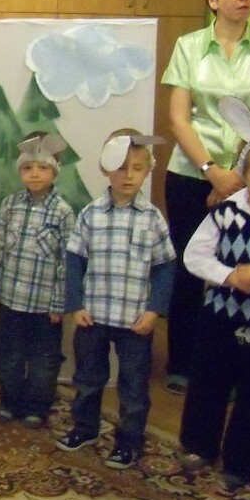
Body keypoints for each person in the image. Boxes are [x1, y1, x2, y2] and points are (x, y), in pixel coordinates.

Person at [162, 0, 250, 396]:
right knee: (190, 267)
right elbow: (179, 119)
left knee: (238, 270)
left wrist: (235, 177)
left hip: (246, 181)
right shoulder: (189, 46)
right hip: (190, 173)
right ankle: (182, 363)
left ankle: (231, 366)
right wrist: (211, 171)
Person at [57, 130, 176, 469]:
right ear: (105, 168)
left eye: (137, 168)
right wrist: (76, 304)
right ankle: (85, 428)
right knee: (88, 378)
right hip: (92, 317)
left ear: (148, 170)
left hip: (135, 321)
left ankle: (129, 442)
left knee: (133, 386)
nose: (128, 176)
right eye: (121, 167)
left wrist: (154, 311)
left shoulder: (152, 219)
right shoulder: (90, 214)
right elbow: (74, 260)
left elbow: (166, 266)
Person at [180, 96, 250, 492]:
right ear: (244, 172)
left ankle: (241, 461)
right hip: (220, 316)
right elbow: (194, 256)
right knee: (209, 381)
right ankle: (199, 445)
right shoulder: (226, 212)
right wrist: (229, 276)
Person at [0, 132, 75, 429]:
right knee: (7, 355)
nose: (35, 173)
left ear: (55, 170)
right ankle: (10, 401)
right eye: (27, 167)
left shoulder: (62, 212)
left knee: (43, 359)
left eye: (43, 167)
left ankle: (37, 405)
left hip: (44, 307)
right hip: (11, 300)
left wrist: (59, 302)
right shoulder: (10, 205)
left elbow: (66, 260)